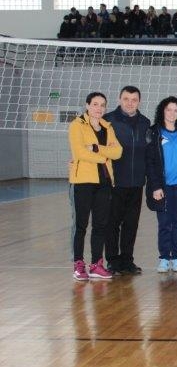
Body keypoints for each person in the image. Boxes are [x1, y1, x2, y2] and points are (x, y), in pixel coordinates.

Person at [69, 92, 122, 281]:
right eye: (95, 104)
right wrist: (104, 157)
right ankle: (78, 264)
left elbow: (118, 152)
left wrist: (97, 148)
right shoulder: (77, 125)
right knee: (81, 225)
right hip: (83, 182)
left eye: (102, 105)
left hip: (104, 182)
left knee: (100, 225)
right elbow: (80, 153)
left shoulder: (107, 127)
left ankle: (96, 265)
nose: (99, 108)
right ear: (87, 105)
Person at [145, 96, 177, 273]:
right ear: (162, 111)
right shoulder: (154, 132)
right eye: (169, 109)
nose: (172, 113)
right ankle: (164, 258)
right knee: (165, 223)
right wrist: (155, 186)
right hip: (163, 186)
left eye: (176, 110)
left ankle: (176, 258)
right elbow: (150, 162)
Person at [103, 86, 150, 275]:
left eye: (134, 100)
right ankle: (113, 261)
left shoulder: (145, 122)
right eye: (126, 99)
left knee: (131, 224)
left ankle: (127, 260)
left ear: (139, 101)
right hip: (115, 182)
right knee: (112, 223)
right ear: (119, 99)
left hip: (136, 182)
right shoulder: (108, 121)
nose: (130, 103)